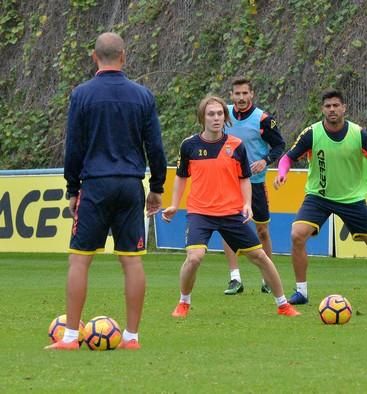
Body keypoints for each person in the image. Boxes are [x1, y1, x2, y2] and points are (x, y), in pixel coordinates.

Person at [46, 32, 167, 350]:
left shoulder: (82, 95)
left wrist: (73, 188)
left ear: (93, 57)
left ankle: (71, 336)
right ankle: (132, 337)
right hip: (129, 184)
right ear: (124, 57)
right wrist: (156, 187)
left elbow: (74, 146)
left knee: (80, 260)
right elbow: (154, 146)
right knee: (132, 261)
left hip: (96, 184)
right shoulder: (142, 95)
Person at [162, 95, 300, 318]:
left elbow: (244, 177)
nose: (216, 118)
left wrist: (247, 204)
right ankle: (183, 302)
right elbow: (181, 177)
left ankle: (283, 304)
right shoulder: (189, 145)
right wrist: (174, 205)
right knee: (194, 257)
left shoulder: (236, 145)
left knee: (260, 257)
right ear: (202, 117)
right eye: (211, 114)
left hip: (231, 213)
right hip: (200, 212)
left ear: (225, 118)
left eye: (219, 114)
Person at [274, 88, 367, 305]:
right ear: (322, 109)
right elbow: (287, 158)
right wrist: (281, 174)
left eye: (336, 105)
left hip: (352, 199)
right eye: (328, 106)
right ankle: (301, 292)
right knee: (297, 234)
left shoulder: (358, 134)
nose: (332, 109)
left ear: (344, 108)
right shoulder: (311, 133)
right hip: (319, 197)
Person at [221, 77, 286, 295]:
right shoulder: (223, 113)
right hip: (228, 182)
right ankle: (234, 278)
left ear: (252, 94)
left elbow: (279, 145)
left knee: (262, 231)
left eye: (244, 93)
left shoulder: (264, 119)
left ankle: (268, 278)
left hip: (255, 183)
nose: (240, 97)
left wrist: (265, 161)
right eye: (236, 94)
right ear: (231, 95)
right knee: (228, 228)